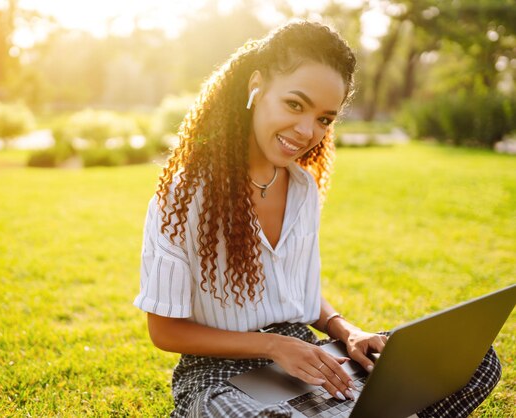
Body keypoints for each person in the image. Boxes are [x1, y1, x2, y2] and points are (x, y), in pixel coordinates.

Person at [134, 19, 501, 418]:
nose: (308, 130)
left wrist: (348, 332)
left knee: (476, 361)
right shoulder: (185, 194)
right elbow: (165, 331)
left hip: (310, 359)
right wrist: (273, 347)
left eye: (325, 119)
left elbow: (299, 293)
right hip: (218, 377)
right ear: (256, 86)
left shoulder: (302, 188)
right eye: (295, 104)